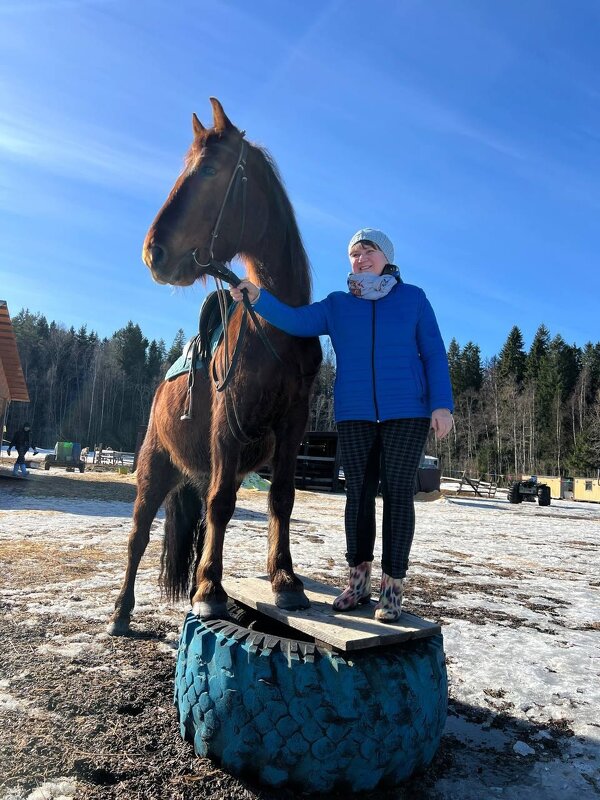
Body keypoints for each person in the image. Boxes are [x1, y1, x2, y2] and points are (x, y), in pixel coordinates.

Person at [230, 228, 454, 623]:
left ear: (386, 257)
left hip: (408, 412)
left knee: (398, 495)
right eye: (355, 253)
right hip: (355, 413)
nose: (361, 259)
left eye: (369, 251)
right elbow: (296, 321)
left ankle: (392, 590)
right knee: (358, 496)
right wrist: (258, 297)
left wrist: (442, 405)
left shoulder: (414, 299)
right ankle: (358, 583)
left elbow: (434, 352)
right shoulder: (337, 305)